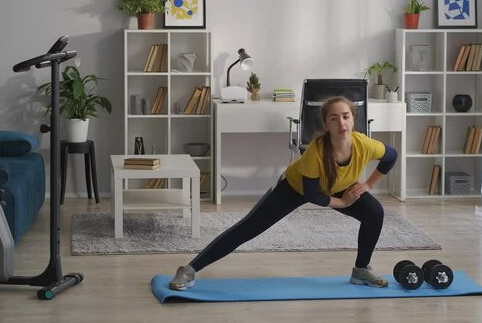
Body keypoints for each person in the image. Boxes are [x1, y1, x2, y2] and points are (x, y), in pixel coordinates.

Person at [169, 96, 398, 290]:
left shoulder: (364, 144)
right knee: (249, 228)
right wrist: (342, 201)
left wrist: (368, 185)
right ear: (326, 124)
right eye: (334, 118)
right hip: (295, 188)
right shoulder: (315, 153)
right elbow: (312, 194)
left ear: (353, 119)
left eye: (346, 116)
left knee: (374, 212)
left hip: (339, 185)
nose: (341, 123)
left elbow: (391, 156)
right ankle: (189, 270)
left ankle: (360, 270)